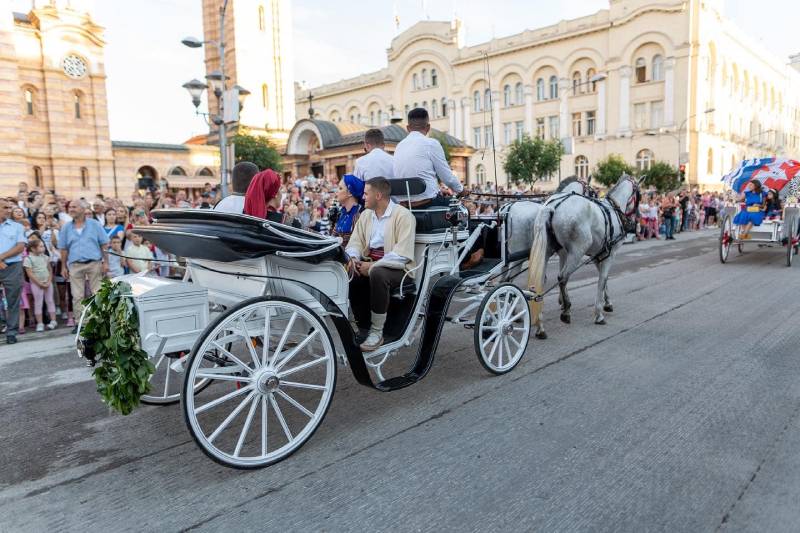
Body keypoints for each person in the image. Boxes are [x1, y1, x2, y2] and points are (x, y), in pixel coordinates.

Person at [346, 177, 416, 351]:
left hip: (399, 269)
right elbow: (355, 242)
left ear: (378, 195)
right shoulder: (366, 215)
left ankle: (377, 332)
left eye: (365, 193)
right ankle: (361, 326)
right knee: (348, 270)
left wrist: (373, 266)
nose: (363, 197)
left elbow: (401, 254)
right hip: (370, 262)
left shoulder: (403, 215)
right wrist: (354, 259)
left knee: (378, 274)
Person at [392, 107, 466, 207]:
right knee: (465, 211)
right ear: (428, 127)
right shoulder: (431, 144)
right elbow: (446, 177)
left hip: (404, 206)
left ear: (408, 128)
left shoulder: (399, 146)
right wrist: (461, 190)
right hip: (427, 204)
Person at [58, 199, 109, 333]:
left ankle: (100, 321)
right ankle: (80, 323)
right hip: (75, 265)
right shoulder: (66, 228)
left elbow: (104, 244)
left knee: (98, 293)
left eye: (74, 207)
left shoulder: (95, 225)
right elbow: (63, 249)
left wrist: (106, 262)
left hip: (94, 263)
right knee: (77, 296)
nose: (71, 209)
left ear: (82, 209)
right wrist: (63, 266)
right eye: (70, 207)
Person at [0, 198, 26, 344]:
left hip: (13, 267)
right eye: (5, 207)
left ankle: (11, 332)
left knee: (13, 300)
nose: (9, 210)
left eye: (10, 207)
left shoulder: (17, 227)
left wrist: (1, 257)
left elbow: (20, 247)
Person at [23, 239, 57, 332]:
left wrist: (49, 281)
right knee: (38, 303)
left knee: (50, 301)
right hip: (36, 284)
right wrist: (40, 283)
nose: (43, 248)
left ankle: (53, 321)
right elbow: (30, 273)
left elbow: (50, 270)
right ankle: (40, 323)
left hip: (47, 283)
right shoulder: (28, 259)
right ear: (33, 249)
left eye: (43, 246)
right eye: (41, 246)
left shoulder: (45, 257)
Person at [332, 174, 365, 246]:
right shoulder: (342, 212)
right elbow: (332, 238)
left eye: (340, 188)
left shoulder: (360, 215)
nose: (336, 192)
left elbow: (357, 245)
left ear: (350, 192)